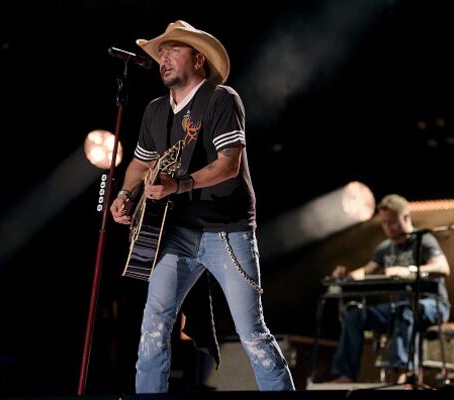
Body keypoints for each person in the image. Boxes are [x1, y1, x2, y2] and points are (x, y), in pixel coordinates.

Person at [110, 20, 295, 393]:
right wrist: (125, 195)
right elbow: (140, 163)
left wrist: (178, 185)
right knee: (154, 325)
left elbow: (229, 165)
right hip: (176, 231)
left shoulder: (221, 99)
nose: (164, 58)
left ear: (198, 59)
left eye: (173, 50)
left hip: (227, 231)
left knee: (252, 331)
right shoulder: (155, 110)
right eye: (161, 52)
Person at [329, 194, 451, 383]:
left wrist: (408, 270)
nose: (388, 227)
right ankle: (345, 375)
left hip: (433, 305)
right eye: (384, 223)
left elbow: (443, 268)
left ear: (406, 217)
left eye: (392, 222)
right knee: (355, 316)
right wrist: (346, 275)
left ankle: (403, 374)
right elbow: (366, 271)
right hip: (401, 307)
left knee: (406, 310)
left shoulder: (424, 239)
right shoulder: (385, 248)